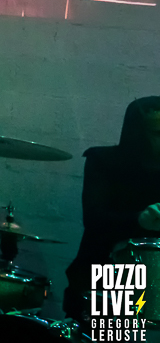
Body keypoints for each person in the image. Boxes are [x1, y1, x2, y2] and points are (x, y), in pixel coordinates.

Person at [63, 96, 160, 320]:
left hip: (151, 283)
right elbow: (94, 219)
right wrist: (139, 220)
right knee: (109, 332)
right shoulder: (103, 161)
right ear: (138, 134)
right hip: (104, 276)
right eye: (157, 133)